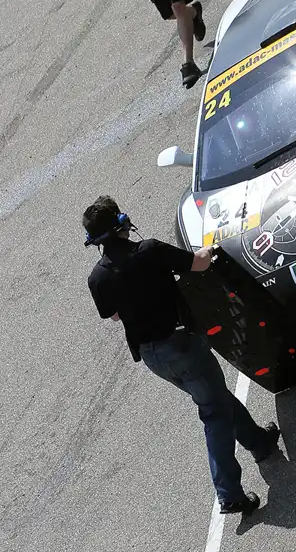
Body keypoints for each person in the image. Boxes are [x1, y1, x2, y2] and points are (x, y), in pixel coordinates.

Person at [84, 195, 280, 516]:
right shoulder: (150, 250)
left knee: (214, 398)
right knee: (214, 412)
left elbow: (115, 316)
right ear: (122, 224)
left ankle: (259, 442)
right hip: (183, 346)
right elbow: (198, 263)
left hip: (153, 358)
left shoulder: (98, 278)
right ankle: (229, 494)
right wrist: (212, 249)